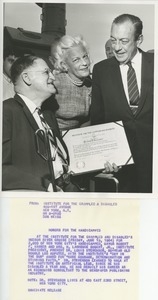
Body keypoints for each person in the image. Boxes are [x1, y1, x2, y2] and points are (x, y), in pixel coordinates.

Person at [91, 14, 154, 193]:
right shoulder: (101, 70)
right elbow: (97, 119)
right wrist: (103, 158)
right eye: (113, 40)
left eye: (124, 41)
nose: (117, 48)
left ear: (139, 39)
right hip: (121, 168)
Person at [2, 55, 81, 192]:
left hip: (66, 188)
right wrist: (46, 186)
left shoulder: (47, 115)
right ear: (26, 78)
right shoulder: (6, 112)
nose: (53, 77)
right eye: (46, 72)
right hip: (39, 194)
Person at [50, 35, 92, 131]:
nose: (84, 63)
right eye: (76, 60)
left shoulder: (91, 85)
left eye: (85, 57)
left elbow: (88, 120)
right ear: (65, 65)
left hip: (78, 137)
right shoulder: (55, 83)